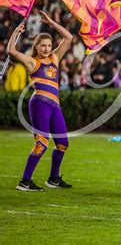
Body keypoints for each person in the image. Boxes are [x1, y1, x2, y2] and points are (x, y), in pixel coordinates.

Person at [7, 11, 73, 191]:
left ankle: (53, 178)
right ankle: (25, 181)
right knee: (41, 143)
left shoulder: (55, 58)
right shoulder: (32, 62)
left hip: (54, 106)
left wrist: (52, 21)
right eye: (43, 45)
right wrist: (16, 32)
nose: (46, 48)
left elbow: (68, 37)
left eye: (49, 45)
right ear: (36, 46)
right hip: (40, 103)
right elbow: (11, 51)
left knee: (62, 144)